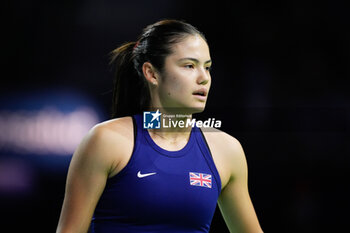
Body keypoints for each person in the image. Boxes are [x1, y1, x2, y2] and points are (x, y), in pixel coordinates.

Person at [56, 19, 263, 233]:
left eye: (207, 67)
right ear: (152, 73)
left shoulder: (227, 150)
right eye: (189, 66)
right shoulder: (106, 140)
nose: (204, 78)